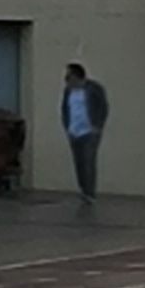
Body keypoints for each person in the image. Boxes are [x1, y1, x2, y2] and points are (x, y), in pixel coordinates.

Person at [61, 59, 110, 199]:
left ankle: (90, 192)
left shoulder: (94, 88)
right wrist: (67, 126)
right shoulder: (68, 91)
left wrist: (98, 126)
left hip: (90, 131)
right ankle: (83, 190)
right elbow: (65, 108)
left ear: (77, 77)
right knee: (79, 163)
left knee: (89, 160)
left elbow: (103, 107)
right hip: (74, 131)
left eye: (69, 76)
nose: (67, 80)